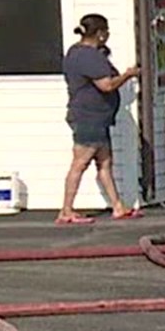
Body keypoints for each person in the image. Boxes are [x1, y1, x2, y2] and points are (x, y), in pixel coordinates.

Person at [58, 13, 141, 225]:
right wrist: (128, 75)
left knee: (104, 163)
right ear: (100, 34)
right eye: (106, 31)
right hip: (89, 117)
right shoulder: (89, 56)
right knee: (80, 162)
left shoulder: (75, 52)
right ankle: (66, 210)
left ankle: (118, 207)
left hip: (98, 117)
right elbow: (106, 85)